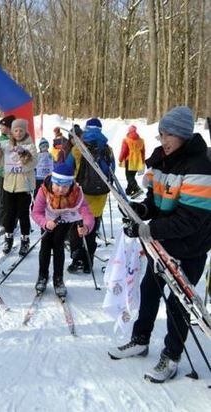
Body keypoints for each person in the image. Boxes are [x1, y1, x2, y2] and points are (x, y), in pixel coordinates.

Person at [109, 106, 211, 383]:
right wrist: (141, 212)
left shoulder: (200, 166)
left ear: (184, 136)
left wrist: (148, 229)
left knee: (179, 305)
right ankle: (140, 340)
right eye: (162, 134)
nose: (163, 140)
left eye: (170, 135)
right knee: (149, 291)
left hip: (190, 249)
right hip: (163, 247)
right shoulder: (161, 161)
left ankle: (172, 356)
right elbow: (155, 204)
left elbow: (191, 219)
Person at [31, 163, 94, 297]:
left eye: (64, 186)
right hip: (48, 221)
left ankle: (58, 279)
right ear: (52, 182)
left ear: (70, 184)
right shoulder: (44, 191)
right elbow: (36, 212)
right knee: (46, 245)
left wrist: (87, 227)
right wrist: (45, 223)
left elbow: (87, 214)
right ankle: (42, 276)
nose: (60, 189)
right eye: (57, 185)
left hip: (65, 221)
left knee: (58, 245)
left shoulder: (76, 193)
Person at [66, 118, 114, 273]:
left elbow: (67, 168)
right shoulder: (107, 148)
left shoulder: (78, 148)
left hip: (80, 195)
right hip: (99, 196)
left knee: (76, 228)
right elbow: (111, 171)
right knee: (91, 230)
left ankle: (77, 259)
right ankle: (88, 263)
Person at [0, 118, 37, 256]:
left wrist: (23, 154)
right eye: (16, 130)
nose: (18, 133)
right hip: (9, 185)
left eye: (21, 130)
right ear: (12, 132)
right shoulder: (7, 145)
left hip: (23, 186)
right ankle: (8, 238)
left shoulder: (30, 146)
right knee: (9, 213)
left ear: (25, 131)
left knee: (23, 214)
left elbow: (32, 164)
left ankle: (25, 240)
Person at [118, 125, 145, 197]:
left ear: (129, 131)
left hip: (129, 160)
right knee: (132, 175)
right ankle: (129, 190)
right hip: (138, 160)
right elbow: (143, 151)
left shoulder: (126, 139)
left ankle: (137, 189)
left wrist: (120, 159)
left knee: (129, 176)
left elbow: (124, 151)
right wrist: (142, 161)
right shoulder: (141, 140)